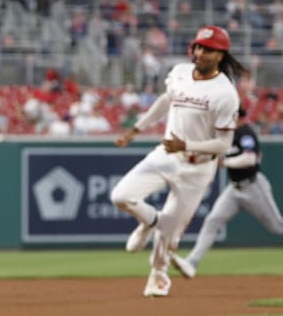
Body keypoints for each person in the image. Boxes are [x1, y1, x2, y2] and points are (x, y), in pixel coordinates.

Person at [109, 25, 247, 297]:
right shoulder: (180, 73)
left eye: (207, 49)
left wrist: (187, 144)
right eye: (197, 46)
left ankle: (158, 276)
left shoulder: (225, 94)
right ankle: (149, 220)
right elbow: (165, 100)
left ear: (220, 55)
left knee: (169, 235)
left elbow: (223, 144)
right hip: (168, 154)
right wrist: (136, 129)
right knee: (120, 196)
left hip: (198, 168)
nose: (200, 52)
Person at [171, 106, 283, 279]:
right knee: (212, 221)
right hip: (234, 189)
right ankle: (191, 263)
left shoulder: (245, 133)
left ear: (237, 117)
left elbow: (249, 159)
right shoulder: (226, 136)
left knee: (277, 226)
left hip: (253, 187)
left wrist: (224, 162)